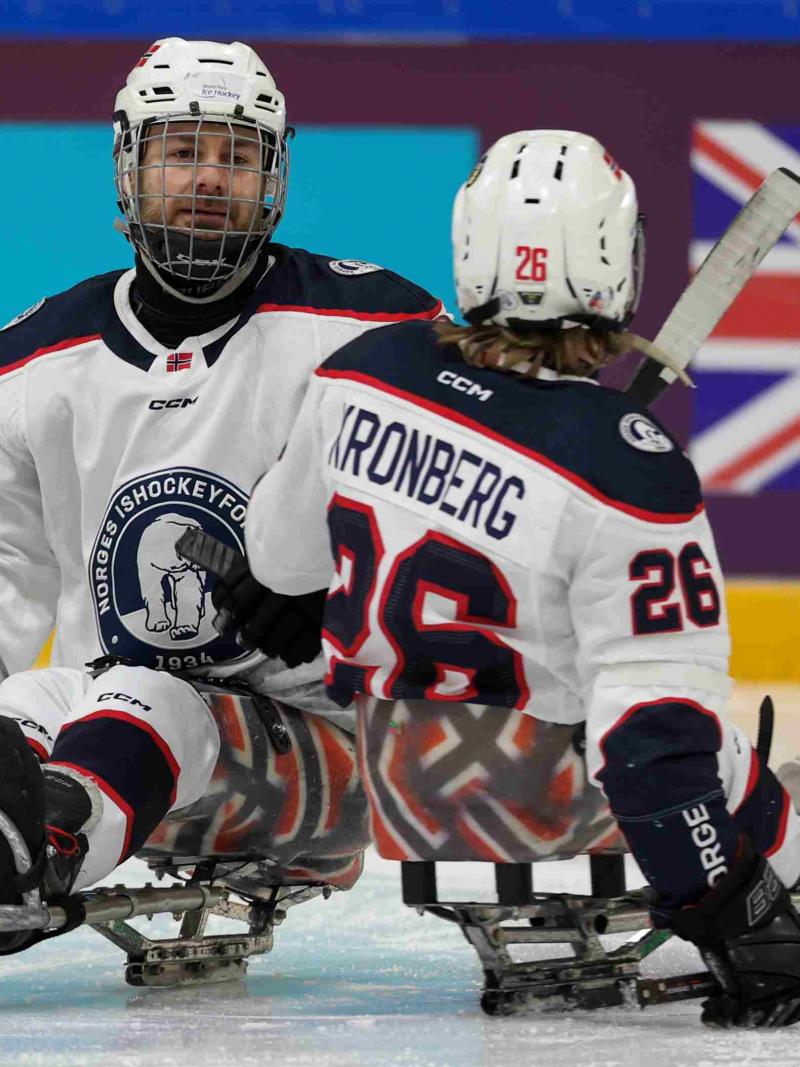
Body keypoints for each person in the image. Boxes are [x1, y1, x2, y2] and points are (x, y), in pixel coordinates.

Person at [236, 130, 800, 1028]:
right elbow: (652, 743)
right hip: (554, 802)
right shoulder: (628, 466)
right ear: (612, 258)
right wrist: (739, 918)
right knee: (708, 738)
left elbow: (279, 560)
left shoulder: (360, 372)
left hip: (407, 798)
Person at [0, 37, 442, 950]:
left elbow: (484, 534)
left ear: (274, 178)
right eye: (181, 152)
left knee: (146, 695)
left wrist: (344, 606)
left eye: (236, 156)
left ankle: (39, 856)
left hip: (334, 753)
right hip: (112, 729)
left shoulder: (376, 330)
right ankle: (25, 824)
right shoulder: (32, 361)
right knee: (31, 701)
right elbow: (6, 571)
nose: (208, 178)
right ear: (127, 167)